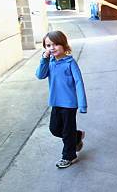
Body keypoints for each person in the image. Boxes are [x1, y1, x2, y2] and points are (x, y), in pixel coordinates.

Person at [36, 30, 87, 169]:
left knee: (66, 131)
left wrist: (82, 105)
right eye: (48, 45)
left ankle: (69, 156)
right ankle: (76, 136)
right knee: (54, 129)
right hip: (56, 102)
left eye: (56, 44)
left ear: (64, 45)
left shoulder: (70, 63)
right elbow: (40, 75)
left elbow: (79, 83)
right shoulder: (50, 62)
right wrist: (44, 59)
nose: (52, 48)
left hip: (70, 104)